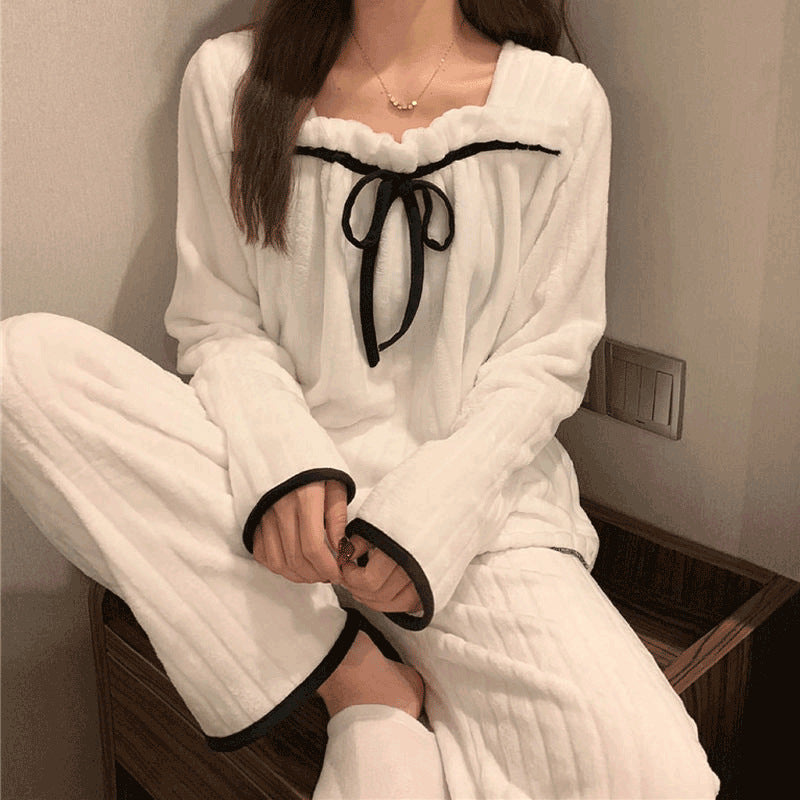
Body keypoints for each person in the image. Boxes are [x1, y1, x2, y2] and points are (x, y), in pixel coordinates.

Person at [1, 1, 721, 797]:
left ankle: (369, 696)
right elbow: (218, 326)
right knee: (22, 367)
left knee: (663, 781)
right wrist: (286, 467)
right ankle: (357, 679)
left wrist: (428, 524)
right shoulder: (231, 80)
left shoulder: (559, 106)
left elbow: (543, 363)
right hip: (269, 508)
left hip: (479, 529)